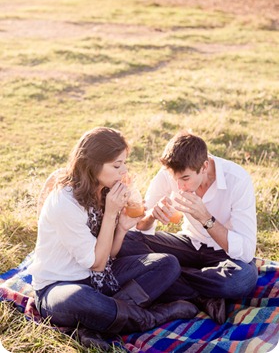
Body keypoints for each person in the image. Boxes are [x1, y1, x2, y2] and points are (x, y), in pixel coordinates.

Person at [29, 127, 198, 349]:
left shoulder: (104, 191)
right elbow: (97, 263)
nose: (123, 170)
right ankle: (153, 317)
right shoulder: (64, 202)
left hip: (99, 280)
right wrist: (110, 214)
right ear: (93, 164)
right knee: (82, 299)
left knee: (168, 264)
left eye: (124, 163)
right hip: (59, 286)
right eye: (117, 165)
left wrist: (121, 228)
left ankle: (95, 323)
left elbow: (109, 256)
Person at [117, 131, 258, 324]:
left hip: (224, 253)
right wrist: (152, 215)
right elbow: (140, 225)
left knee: (242, 279)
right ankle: (201, 296)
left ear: (204, 166)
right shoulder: (171, 173)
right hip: (189, 244)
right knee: (124, 241)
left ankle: (170, 275)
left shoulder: (237, 180)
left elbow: (246, 251)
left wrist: (206, 218)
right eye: (174, 179)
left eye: (185, 178)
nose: (179, 186)